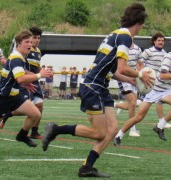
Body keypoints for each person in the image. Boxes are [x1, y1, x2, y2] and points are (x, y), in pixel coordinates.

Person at [41, 3, 151, 178]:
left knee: (113, 129)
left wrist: (131, 79)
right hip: (93, 86)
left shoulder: (114, 35)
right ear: (139, 23)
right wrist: (140, 75)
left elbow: (113, 71)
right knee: (99, 133)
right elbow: (122, 67)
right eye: (142, 24)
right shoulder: (125, 37)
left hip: (101, 87)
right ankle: (55, 129)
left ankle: (87, 167)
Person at [114, 37, 171, 145]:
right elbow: (162, 75)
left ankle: (159, 127)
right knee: (139, 117)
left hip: (166, 90)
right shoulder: (169, 57)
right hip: (154, 89)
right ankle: (119, 135)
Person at [0, 30, 52, 147]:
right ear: (19, 43)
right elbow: (20, 79)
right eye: (27, 42)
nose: (30, 44)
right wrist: (40, 75)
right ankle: (9, 118)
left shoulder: (21, 57)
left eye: (31, 42)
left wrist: (27, 83)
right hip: (2, 98)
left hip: (15, 96)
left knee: (35, 113)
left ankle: (22, 135)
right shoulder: (16, 58)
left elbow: (19, 74)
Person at [0, 27, 45, 139]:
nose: (36, 40)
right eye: (34, 38)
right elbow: (16, 64)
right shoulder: (24, 51)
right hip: (25, 81)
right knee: (29, 108)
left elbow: (37, 66)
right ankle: (8, 114)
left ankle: (34, 132)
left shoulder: (38, 51)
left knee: (40, 106)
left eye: (38, 38)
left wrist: (43, 72)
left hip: (34, 82)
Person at [140, 32, 171, 129]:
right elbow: (139, 62)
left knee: (159, 101)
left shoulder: (165, 54)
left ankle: (161, 122)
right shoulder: (148, 51)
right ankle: (121, 106)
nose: (161, 42)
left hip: (159, 82)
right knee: (142, 105)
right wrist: (142, 74)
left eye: (162, 41)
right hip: (149, 81)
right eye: (159, 40)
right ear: (154, 41)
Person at [114, 43, 144, 137]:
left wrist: (139, 74)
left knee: (133, 104)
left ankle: (116, 105)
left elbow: (140, 63)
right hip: (122, 77)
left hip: (134, 77)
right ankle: (132, 129)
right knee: (132, 103)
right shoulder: (120, 48)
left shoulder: (137, 48)